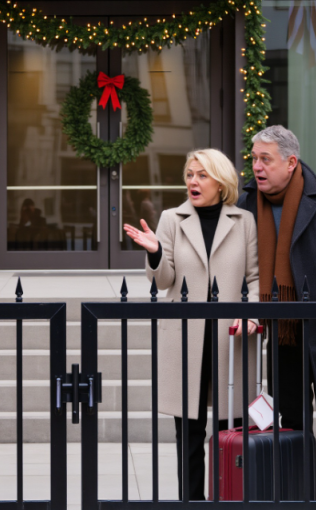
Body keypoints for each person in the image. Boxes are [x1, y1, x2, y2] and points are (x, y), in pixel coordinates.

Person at [124, 148, 259, 501]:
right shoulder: (171, 218)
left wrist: (253, 313)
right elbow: (165, 280)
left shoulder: (244, 221)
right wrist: (154, 252)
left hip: (232, 338)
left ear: (221, 181)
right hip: (185, 339)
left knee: (233, 429)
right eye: (189, 174)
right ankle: (192, 502)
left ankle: (231, 497)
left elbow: (255, 278)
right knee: (189, 433)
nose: (193, 182)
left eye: (201, 175)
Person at [237, 125, 316, 501]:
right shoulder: (245, 204)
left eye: (265, 159)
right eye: (254, 159)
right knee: (291, 425)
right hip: (280, 333)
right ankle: (298, 497)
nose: (257, 166)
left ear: (290, 162)